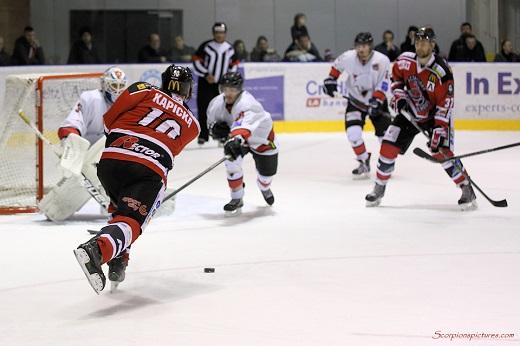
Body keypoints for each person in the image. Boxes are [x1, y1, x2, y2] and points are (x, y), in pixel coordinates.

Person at [73, 65, 200, 294]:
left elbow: (109, 121)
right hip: (147, 168)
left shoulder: (142, 88)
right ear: (188, 90)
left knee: (120, 207)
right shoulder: (193, 125)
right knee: (132, 220)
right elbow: (170, 151)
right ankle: (98, 250)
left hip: (111, 161)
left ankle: (119, 260)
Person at [365, 27, 477, 210]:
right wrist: (400, 96)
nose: (420, 45)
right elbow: (396, 80)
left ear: (432, 44)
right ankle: (379, 186)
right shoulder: (404, 61)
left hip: (435, 117)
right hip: (411, 112)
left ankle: (466, 187)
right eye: (417, 42)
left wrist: (440, 129)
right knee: (388, 144)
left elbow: (445, 104)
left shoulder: (442, 71)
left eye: (424, 42)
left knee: (442, 152)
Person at [38, 67, 128, 222]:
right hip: (85, 158)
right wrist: (71, 142)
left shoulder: (127, 105)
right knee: (53, 212)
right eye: (114, 85)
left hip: (109, 157)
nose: (117, 90)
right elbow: (72, 124)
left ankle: (125, 201)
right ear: (105, 84)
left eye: (121, 86)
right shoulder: (91, 99)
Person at [322, 32, 391, 179]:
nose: (361, 49)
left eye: (364, 46)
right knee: (353, 133)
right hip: (356, 102)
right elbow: (336, 68)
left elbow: (384, 83)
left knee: (385, 137)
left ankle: (387, 163)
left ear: (370, 46)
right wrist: (330, 80)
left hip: (377, 103)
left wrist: (377, 100)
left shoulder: (382, 60)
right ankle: (363, 160)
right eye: (359, 46)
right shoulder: (348, 57)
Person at [207, 72, 278, 212]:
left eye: (232, 89)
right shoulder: (216, 103)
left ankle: (264, 186)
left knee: (267, 175)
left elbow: (245, 127)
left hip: (262, 139)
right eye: (225, 89)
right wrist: (214, 130)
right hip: (238, 138)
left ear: (239, 89)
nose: (228, 93)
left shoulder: (249, 103)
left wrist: (233, 139)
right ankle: (237, 197)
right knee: (231, 162)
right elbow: (210, 124)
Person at [192, 22, 239, 145]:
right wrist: (206, 74)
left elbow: (234, 64)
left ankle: (222, 136)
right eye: (217, 32)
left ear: (225, 33)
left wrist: (227, 78)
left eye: (221, 32)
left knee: (223, 110)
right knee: (204, 108)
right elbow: (196, 61)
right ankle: (203, 135)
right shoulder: (206, 46)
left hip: (222, 85)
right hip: (206, 83)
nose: (219, 35)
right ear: (213, 33)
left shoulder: (230, 48)